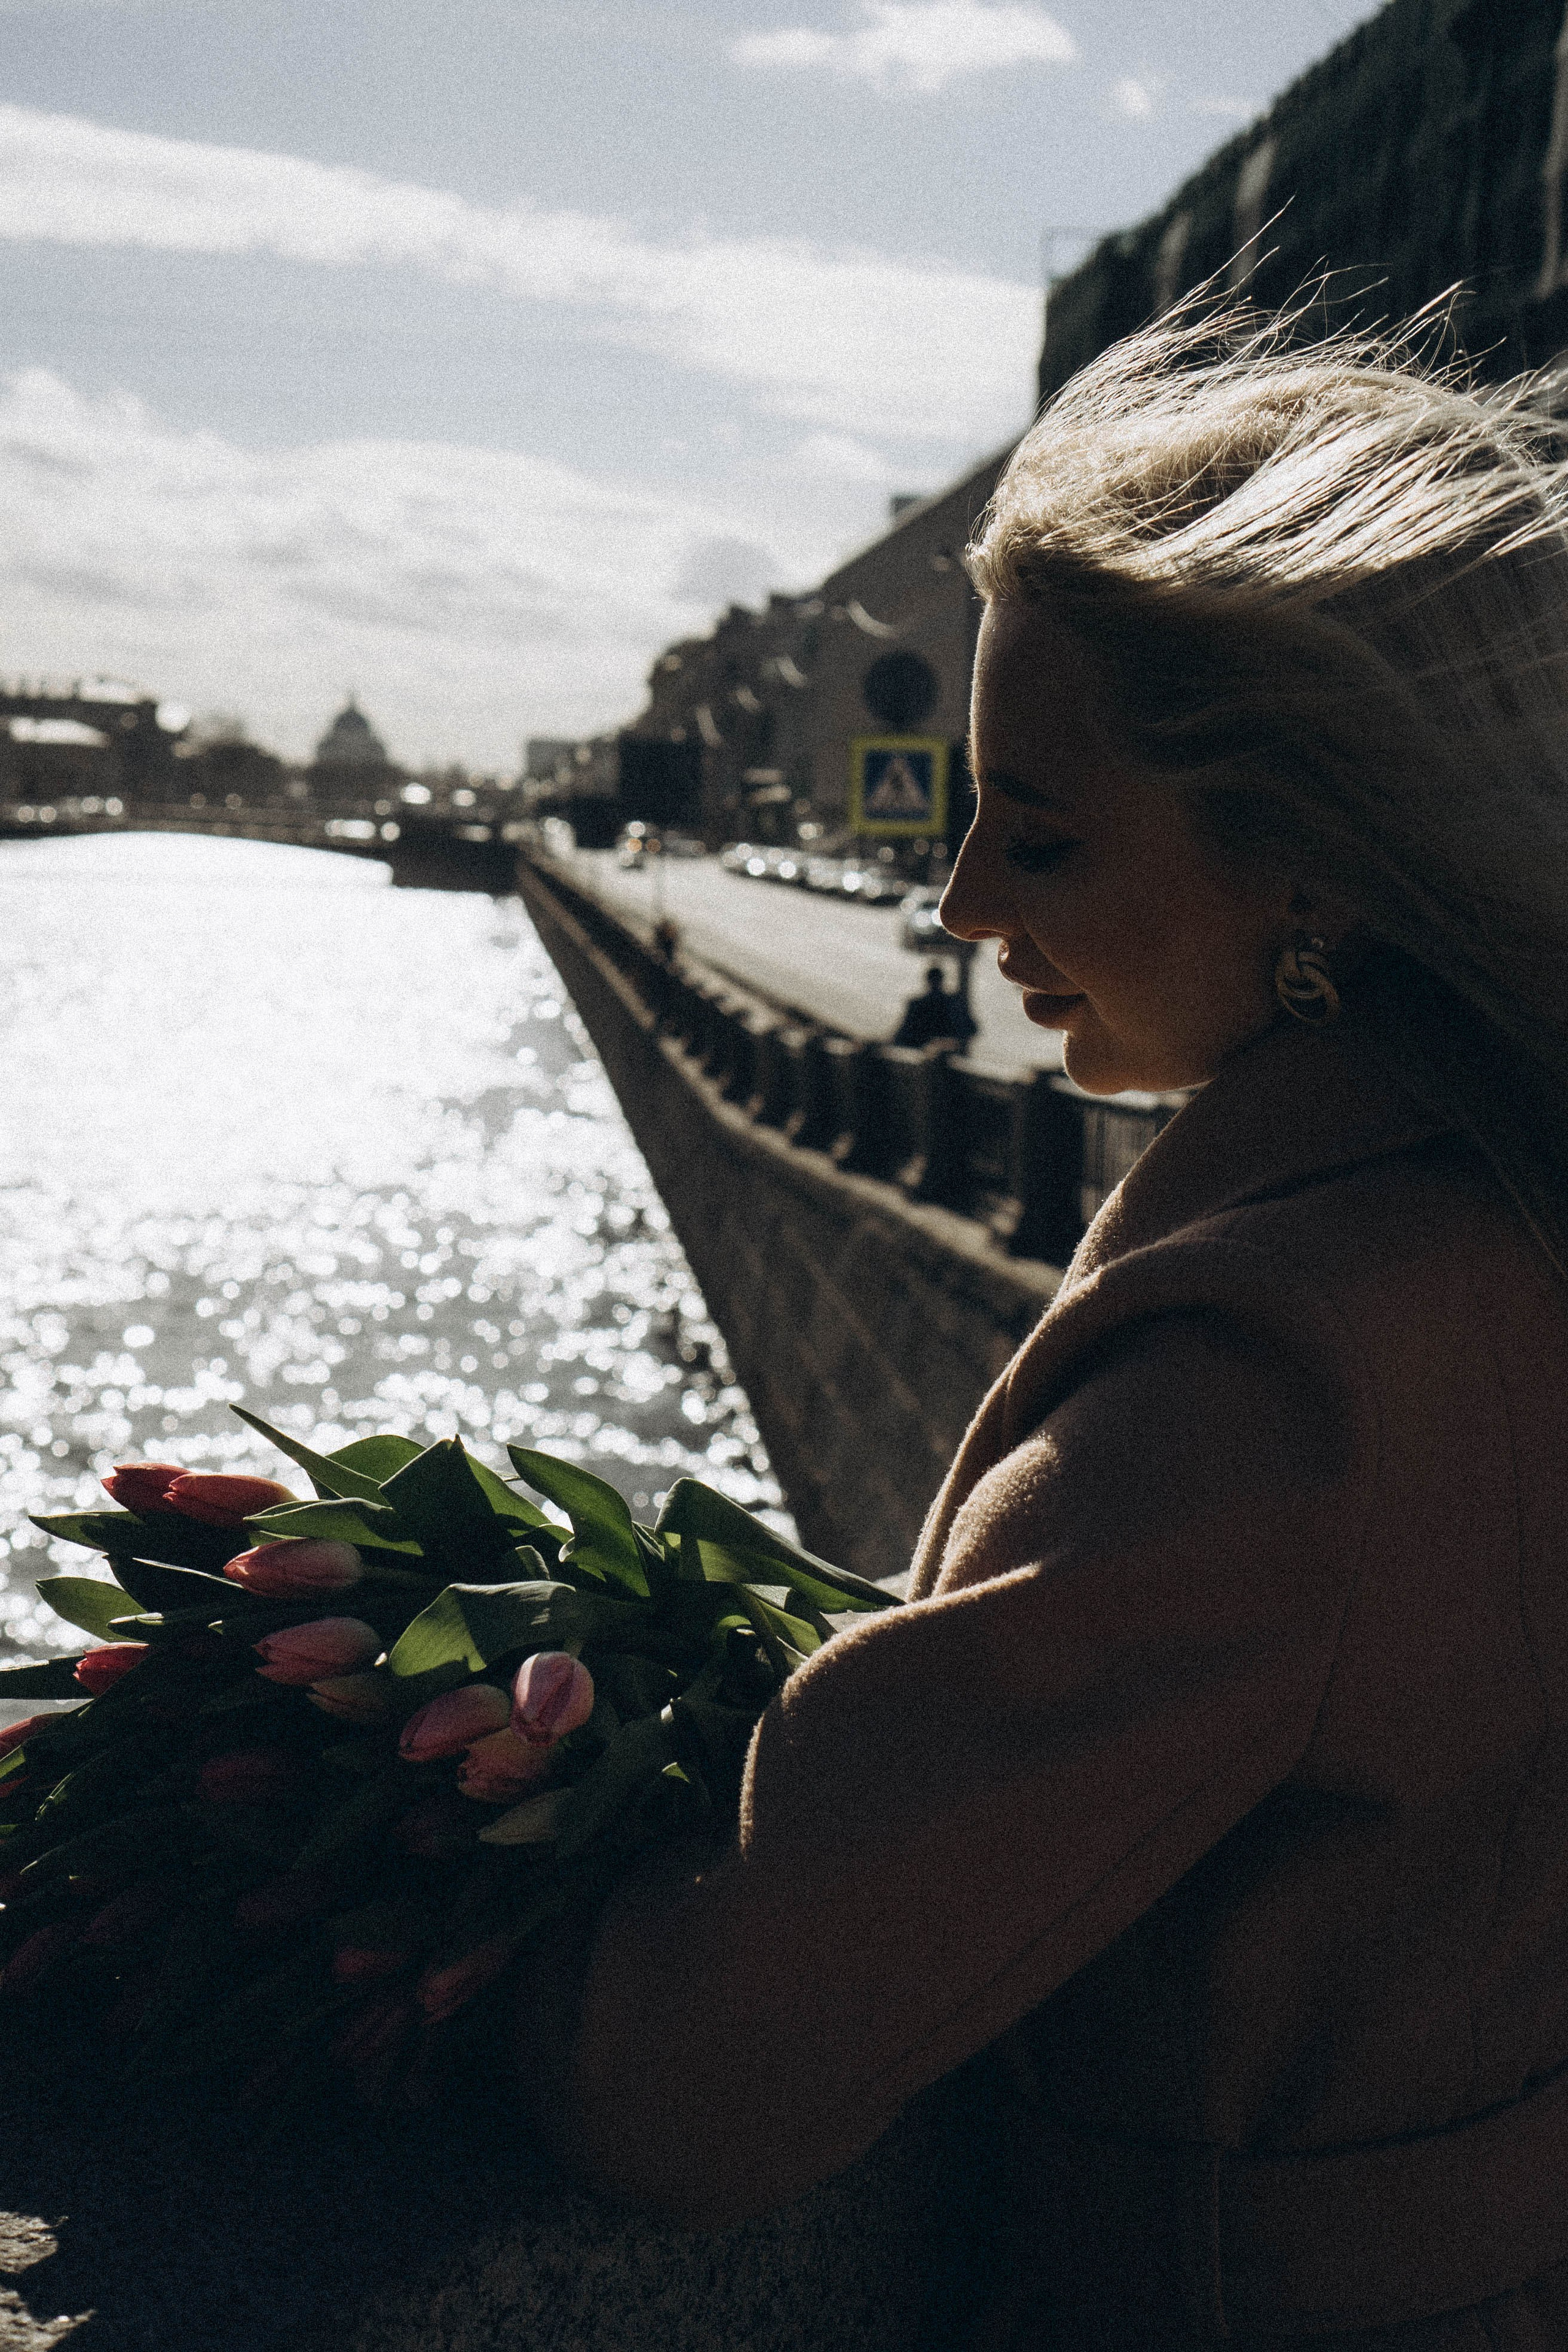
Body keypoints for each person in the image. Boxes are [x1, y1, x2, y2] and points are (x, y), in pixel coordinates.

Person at [518, 303, 1568, 2350]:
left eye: (1046, 829)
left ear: (1317, 862)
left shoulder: (1278, 1379)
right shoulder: (1503, 1226)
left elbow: (699, 2074)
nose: (968, 904)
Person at [892, 960, 978, 1048]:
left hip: (932, 1050)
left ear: (928, 980)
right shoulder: (953, 1003)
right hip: (941, 1051)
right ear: (942, 980)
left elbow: (902, 1036)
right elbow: (971, 1030)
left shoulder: (918, 1005)